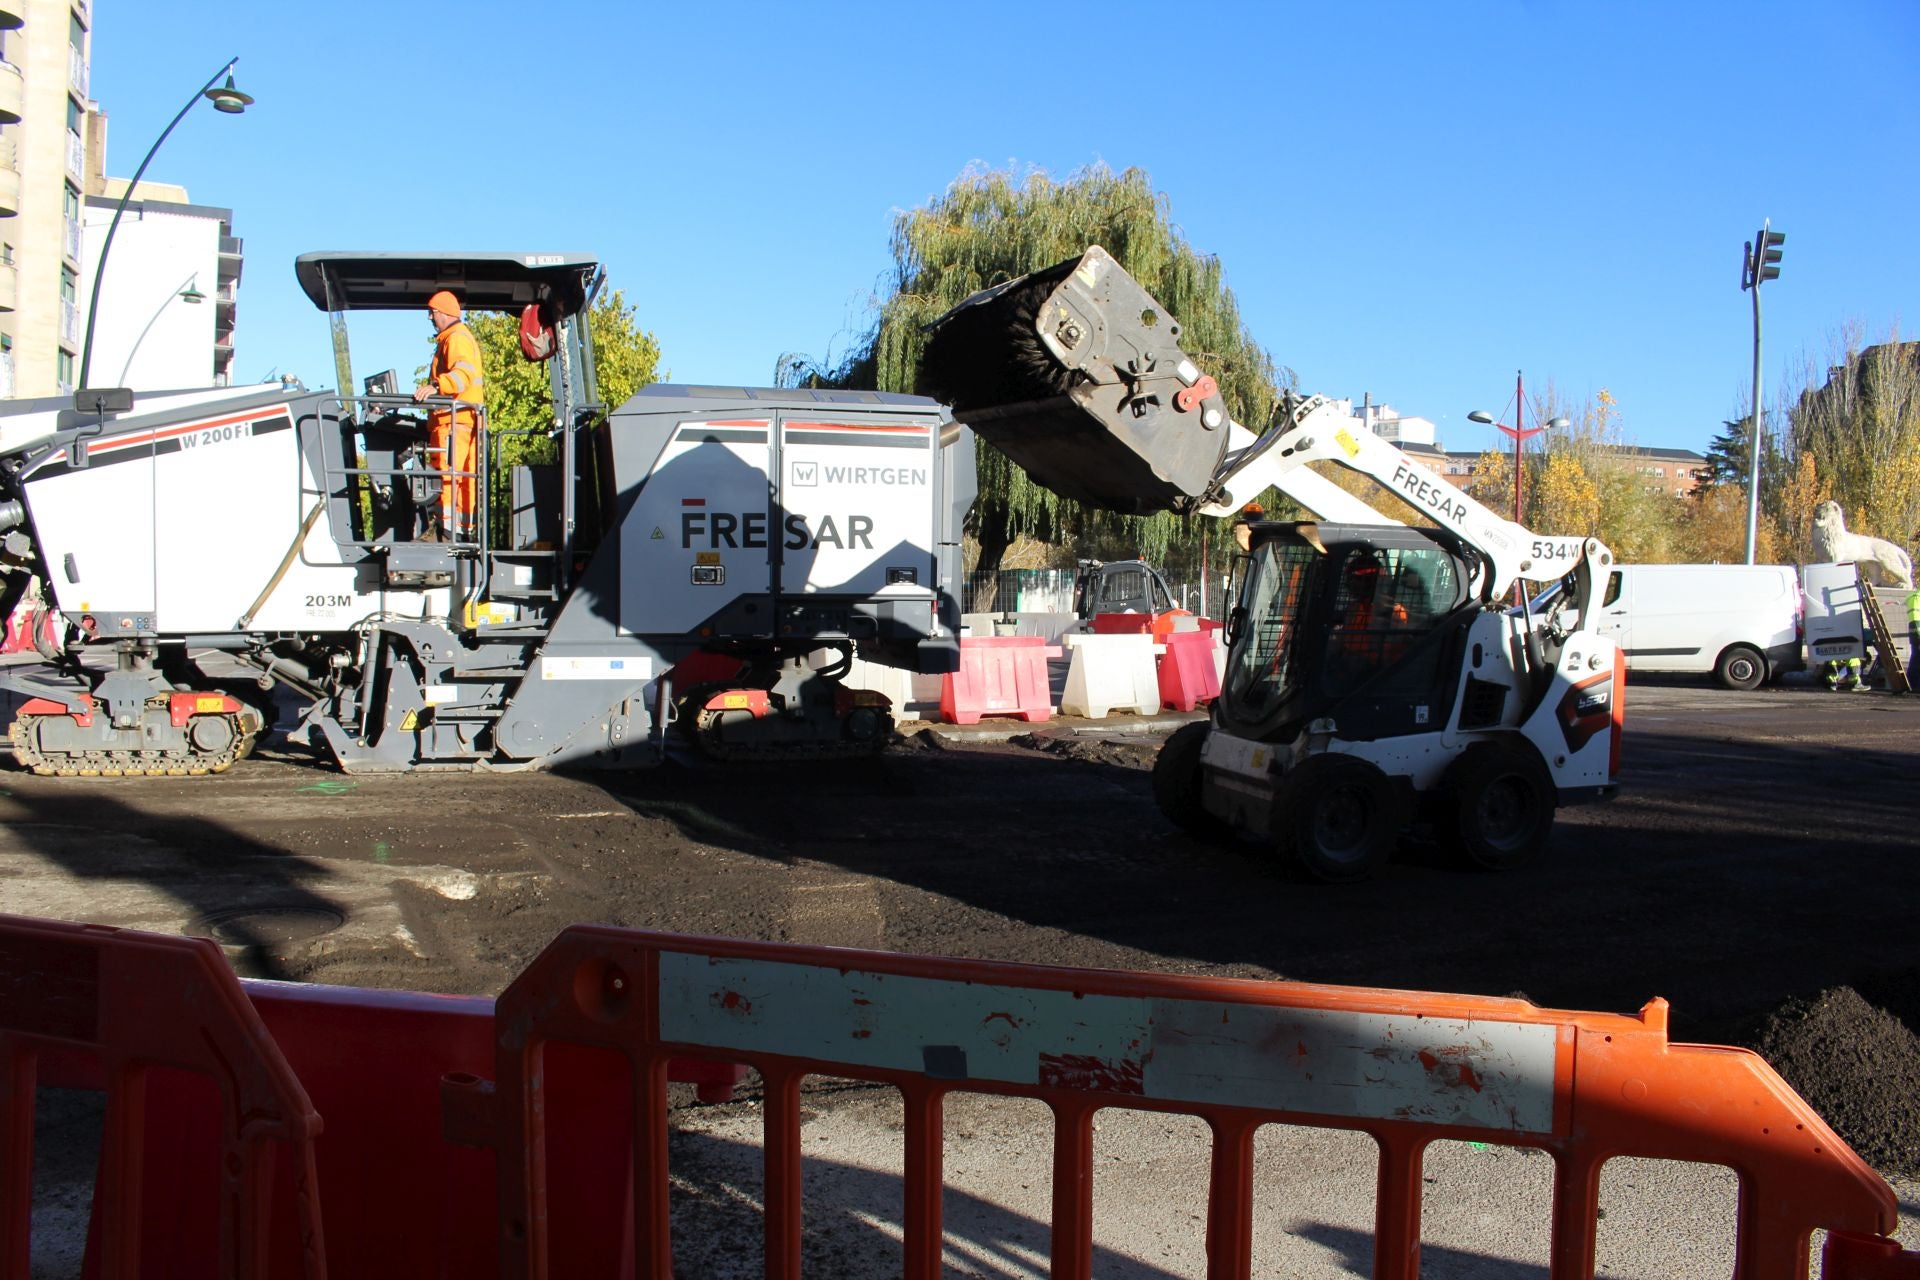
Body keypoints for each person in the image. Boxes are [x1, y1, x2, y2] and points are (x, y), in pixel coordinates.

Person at [412, 290, 485, 540]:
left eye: (432, 313)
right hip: (461, 421)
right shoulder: (452, 338)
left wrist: (435, 387)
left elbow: (462, 375)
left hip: (454, 422)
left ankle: (445, 533)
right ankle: (461, 531)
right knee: (462, 479)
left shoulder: (456, 338)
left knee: (447, 477)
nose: (430, 318)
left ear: (443, 312)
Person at [1906, 583, 1920, 692]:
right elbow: (1915, 618)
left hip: (1915, 631)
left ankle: (1913, 682)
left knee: (1916, 657)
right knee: (1917, 658)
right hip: (1917, 631)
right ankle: (1914, 684)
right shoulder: (1916, 598)